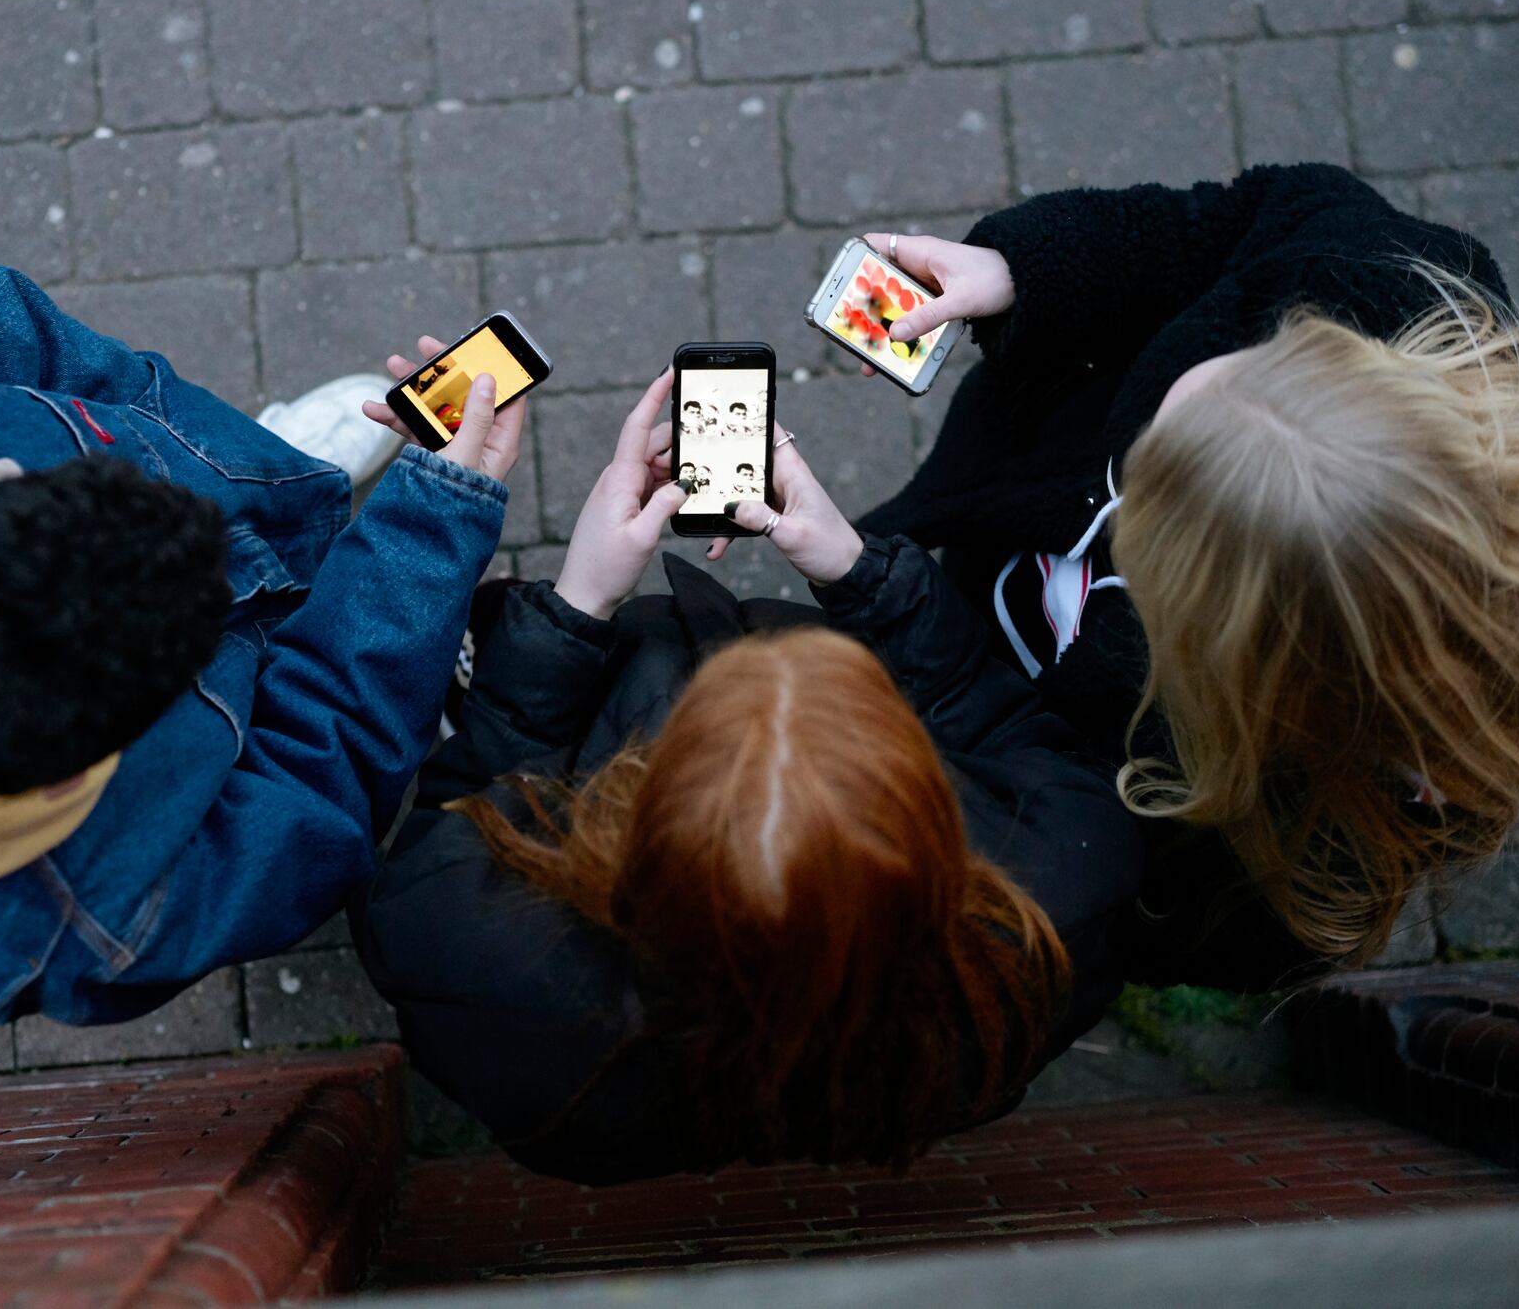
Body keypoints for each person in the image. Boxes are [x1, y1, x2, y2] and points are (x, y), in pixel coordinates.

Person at [0, 240, 522, 1027]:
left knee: (233, 480)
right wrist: (432, 523)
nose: (213, 539)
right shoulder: (95, 931)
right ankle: (316, 536)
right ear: (73, 780)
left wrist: (149, 418)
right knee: (323, 613)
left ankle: (268, 469)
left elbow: (6, 321)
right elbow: (321, 773)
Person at [354, 373, 1142, 1185]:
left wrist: (576, 606)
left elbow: (463, 809)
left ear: (643, 816)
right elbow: (1001, 725)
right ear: (922, 795)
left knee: (498, 644)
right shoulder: (1056, 915)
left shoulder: (486, 968)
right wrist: (856, 570)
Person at [841, 163, 1519, 990]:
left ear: (1218, 645)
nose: (1126, 452)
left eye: (1153, 484)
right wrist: (1024, 270)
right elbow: (1218, 229)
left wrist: (872, 592)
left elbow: (1057, 845)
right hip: (988, 533)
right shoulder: (1385, 284)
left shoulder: (1257, 859)